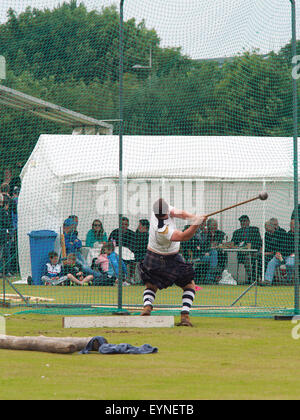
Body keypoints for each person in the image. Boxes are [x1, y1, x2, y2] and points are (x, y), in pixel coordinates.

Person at [138, 198, 207, 327]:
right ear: (164, 213)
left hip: (152, 257)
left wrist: (194, 217)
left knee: (151, 286)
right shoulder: (162, 228)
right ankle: (185, 316)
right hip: (169, 259)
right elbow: (183, 236)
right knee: (189, 285)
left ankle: (147, 308)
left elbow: (180, 214)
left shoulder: (157, 211)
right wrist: (196, 224)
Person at [263, 219, 296, 286]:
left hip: (292, 256)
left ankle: (288, 280)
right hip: (282, 255)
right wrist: (278, 252)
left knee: (290, 264)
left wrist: (295, 253)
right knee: (271, 263)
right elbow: (281, 245)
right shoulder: (286, 234)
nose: (293, 227)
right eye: (291, 225)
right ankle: (267, 281)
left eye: (294, 225)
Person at [231, 215, 262, 283]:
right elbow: (233, 244)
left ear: (248, 222)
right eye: (241, 221)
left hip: (254, 252)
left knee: (258, 257)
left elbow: (259, 242)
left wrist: (251, 247)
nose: (243, 223)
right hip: (242, 254)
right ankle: (251, 277)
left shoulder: (255, 230)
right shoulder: (236, 232)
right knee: (247, 257)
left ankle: (255, 277)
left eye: (244, 221)